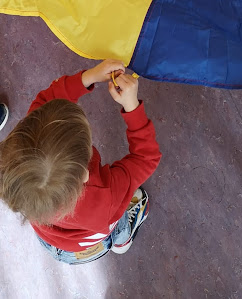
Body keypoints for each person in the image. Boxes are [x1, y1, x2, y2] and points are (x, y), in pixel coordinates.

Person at [0, 60, 162, 264]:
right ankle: (122, 240)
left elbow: (47, 102)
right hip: (96, 241)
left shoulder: (21, 159)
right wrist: (132, 106)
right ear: (85, 174)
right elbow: (146, 157)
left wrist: (91, 76)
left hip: (55, 243)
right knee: (117, 221)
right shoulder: (105, 194)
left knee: (107, 216)